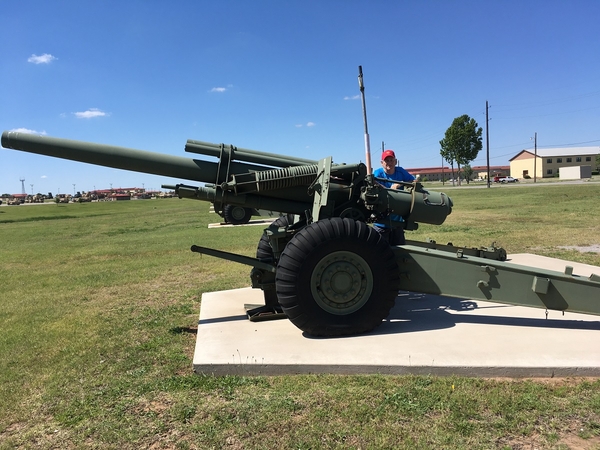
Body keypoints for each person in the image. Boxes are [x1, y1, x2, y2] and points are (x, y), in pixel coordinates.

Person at [372, 149, 415, 245]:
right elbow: (372, 185)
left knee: (399, 251)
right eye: (386, 160)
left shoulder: (400, 172)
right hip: (381, 223)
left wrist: (398, 184)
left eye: (391, 160)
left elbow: (414, 181)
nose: (389, 163)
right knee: (378, 251)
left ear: (395, 161)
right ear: (382, 162)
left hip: (397, 222)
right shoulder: (378, 174)